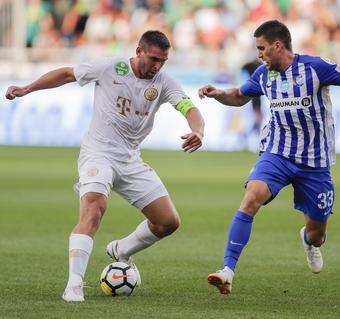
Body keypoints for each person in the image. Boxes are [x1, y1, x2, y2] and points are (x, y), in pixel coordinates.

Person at [6, 30, 205, 302]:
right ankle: (74, 285)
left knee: (168, 222)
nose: (158, 66)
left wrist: (199, 131)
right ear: (139, 51)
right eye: (154, 58)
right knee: (94, 209)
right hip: (98, 153)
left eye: (164, 61)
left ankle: (122, 250)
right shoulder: (110, 67)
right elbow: (67, 73)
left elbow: (188, 107)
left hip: (130, 160)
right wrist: (27, 88)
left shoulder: (163, 82)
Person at [198, 20, 340, 295]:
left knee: (318, 234)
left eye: (262, 48)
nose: (259, 54)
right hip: (277, 153)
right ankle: (227, 270)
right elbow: (239, 95)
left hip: (315, 162)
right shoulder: (262, 74)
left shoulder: (315, 68)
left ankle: (308, 241)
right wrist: (218, 93)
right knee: (251, 196)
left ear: (277, 46)